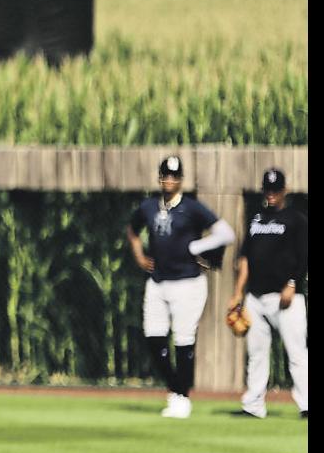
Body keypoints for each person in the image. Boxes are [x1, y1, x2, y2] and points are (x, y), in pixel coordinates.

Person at [126, 155, 236, 419]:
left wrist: (197, 247)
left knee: (184, 339)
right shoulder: (149, 206)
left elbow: (227, 233)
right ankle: (176, 387)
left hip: (188, 282)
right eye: (165, 175)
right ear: (159, 177)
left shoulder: (192, 208)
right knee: (153, 337)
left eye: (174, 176)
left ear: (181, 180)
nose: (169, 180)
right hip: (158, 281)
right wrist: (139, 256)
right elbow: (132, 229)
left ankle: (182, 397)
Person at [230, 167, 308, 420]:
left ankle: (306, 403)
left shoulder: (296, 220)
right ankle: (253, 405)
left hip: (286, 297)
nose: (271, 194)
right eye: (267, 189)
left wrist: (293, 283)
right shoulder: (256, 219)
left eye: (275, 189)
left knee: (296, 353)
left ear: (284, 190)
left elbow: (304, 256)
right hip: (256, 297)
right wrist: (238, 294)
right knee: (257, 353)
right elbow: (245, 259)